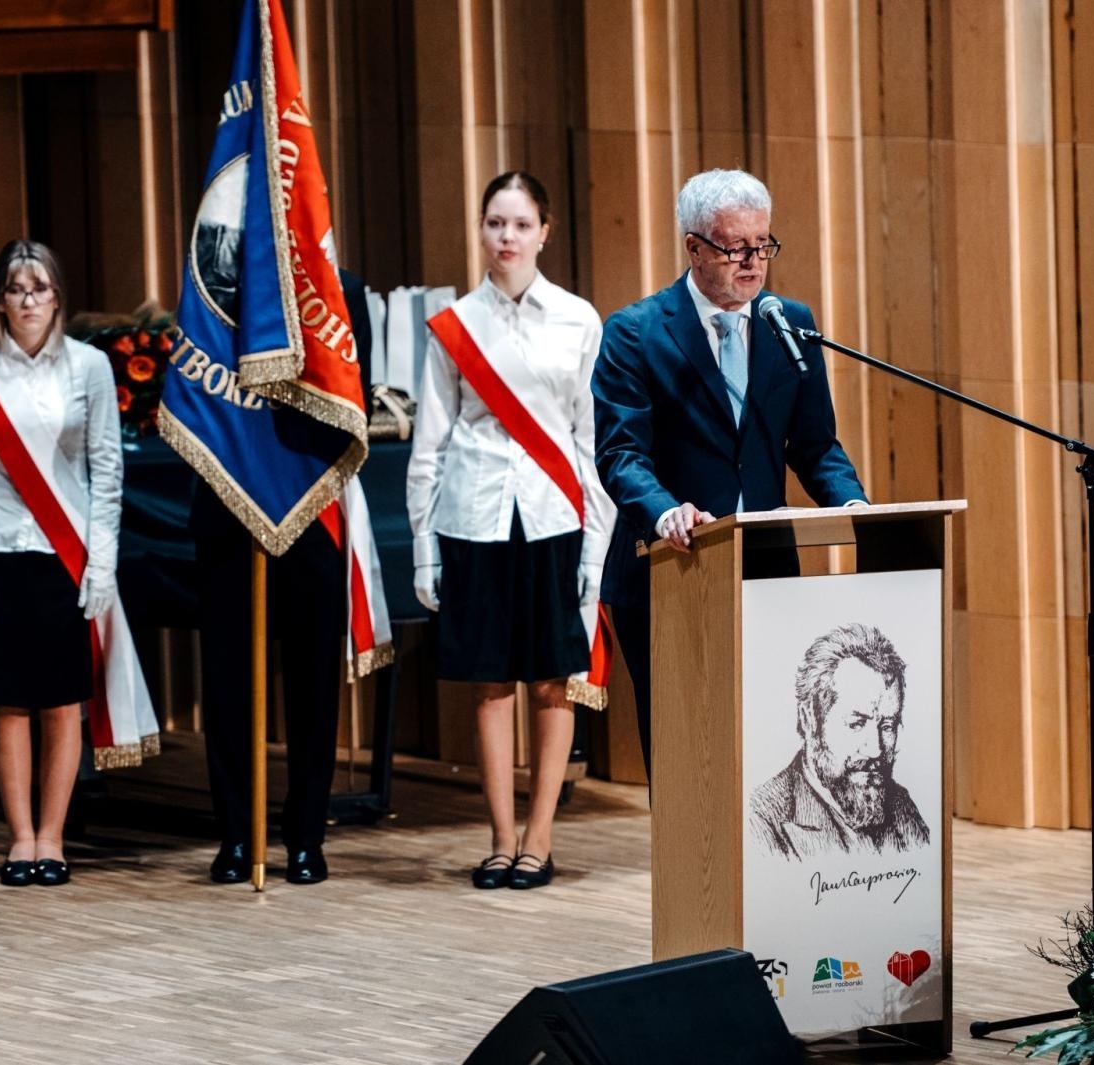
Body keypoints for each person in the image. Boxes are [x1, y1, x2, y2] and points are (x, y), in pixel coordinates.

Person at [592, 169, 868, 784]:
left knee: (776, 757)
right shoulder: (636, 333)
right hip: (672, 568)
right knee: (688, 758)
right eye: (734, 247)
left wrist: (857, 508)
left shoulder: (787, 323)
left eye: (763, 245)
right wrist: (667, 510)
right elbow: (620, 453)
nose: (752, 262)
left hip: (768, 573)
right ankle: (695, 882)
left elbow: (816, 446)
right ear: (694, 247)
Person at [407, 171, 611, 890]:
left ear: (544, 232)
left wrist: (598, 545)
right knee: (491, 683)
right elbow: (428, 443)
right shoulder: (456, 325)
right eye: (495, 223)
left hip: (556, 516)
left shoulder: (580, 320)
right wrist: (424, 549)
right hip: (475, 516)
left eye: (521, 224)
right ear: (481, 229)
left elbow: (590, 441)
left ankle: (540, 836)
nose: (506, 238)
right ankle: (497, 838)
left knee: (553, 683)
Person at [0, 239, 123, 888]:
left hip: (63, 553)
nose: (28, 299)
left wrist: (101, 563)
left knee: (60, 702)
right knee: (8, 701)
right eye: (17, 288)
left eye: (40, 287)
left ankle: (54, 836)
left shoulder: (90, 368)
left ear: (58, 297)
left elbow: (108, 468)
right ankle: (19, 836)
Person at [193, 266, 372, 889]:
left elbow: (357, 401)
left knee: (312, 685)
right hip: (225, 509)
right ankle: (238, 835)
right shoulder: (215, 286)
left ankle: (304, 836)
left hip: (308, 508)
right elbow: (194, 398)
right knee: (228, 683)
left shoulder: (341, 290)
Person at [749, 623, 929, 859]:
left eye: (887, 726)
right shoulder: (762, 820)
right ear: (809, 719)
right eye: (856, 724)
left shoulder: (902, 808)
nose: (875, 749)